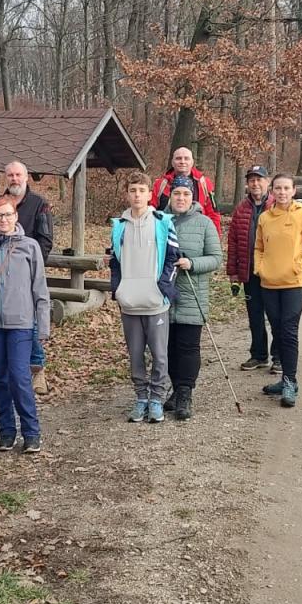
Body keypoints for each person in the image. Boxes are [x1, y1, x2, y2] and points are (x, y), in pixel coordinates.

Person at [0, 195, 51, 453]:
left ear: (16, 216)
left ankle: (31, 432)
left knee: (19, 376)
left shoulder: (30, 247)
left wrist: (43, 325)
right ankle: (6, 430)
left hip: (21, 323)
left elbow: (40, 288)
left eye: (8, 214)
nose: (4, 220)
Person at [109, 171, 180, 424]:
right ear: (127, 194)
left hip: (155, 303)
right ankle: (141, 398)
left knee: (160, 355)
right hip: (129, 303)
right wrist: (118, 289)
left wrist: (163, 288)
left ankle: (156, 399)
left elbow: (172, 257)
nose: (137, 195)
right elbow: (114, 262)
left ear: (150, 194)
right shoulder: (119, 226)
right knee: (135, 355)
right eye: (132, 190)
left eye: (142, 190)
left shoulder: (163, 222)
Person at [255, 174, 302, 408]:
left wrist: (298, 265)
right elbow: (258, 247)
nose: (282, 192)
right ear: (272, 191)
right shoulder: (265, 217)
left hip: (294, 284)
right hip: (269, 284)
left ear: (294, 191)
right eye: (278, 188)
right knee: (277, 331)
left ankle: (289, 381)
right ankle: (284, 378)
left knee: (289, 331)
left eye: (286, 188)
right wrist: (260, 268)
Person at [0, 161, 55, 395]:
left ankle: (38, 370)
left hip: (27, 274)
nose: (14, 179)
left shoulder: (39, 204)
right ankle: (11, 371)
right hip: (0, 275)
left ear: (26, 177)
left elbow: (45, 240)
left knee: (31, 324)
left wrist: (32, 267)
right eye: (10, 175)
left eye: (18, 174)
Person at [162, 175, 222, 420]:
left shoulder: (204, 223)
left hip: (192, 293)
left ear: (193, 197)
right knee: (167, 347)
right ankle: (176, 389)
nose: (181, 198)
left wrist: (192, 263)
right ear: (170, 196)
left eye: (186, 194)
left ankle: (185, 392)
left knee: (188, 346)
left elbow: (216, 258)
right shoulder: (160, 221)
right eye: (177, 193)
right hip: (164, 295)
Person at [225, 165, 278, 373]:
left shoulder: (276, 205)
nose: (255, 184)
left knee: (275, 316)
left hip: (273, 272)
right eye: (252, 180)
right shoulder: (241, 208)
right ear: (247, 183)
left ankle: (279, 357)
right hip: (249, 271)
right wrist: (233, 272)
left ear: (268, 182)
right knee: (255, 316)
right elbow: (233, 241)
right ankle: (258, 355)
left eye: (259, 179)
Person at [149, 146, 222, 234]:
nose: (182, 162)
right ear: (172, 162)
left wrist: (214, 237)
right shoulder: (160, 184)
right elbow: (150, 211)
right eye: (178, 158)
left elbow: (214, 214)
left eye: (186, 158)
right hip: (166, 234)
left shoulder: (204, 184)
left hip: (197, 235)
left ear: (192, 162)